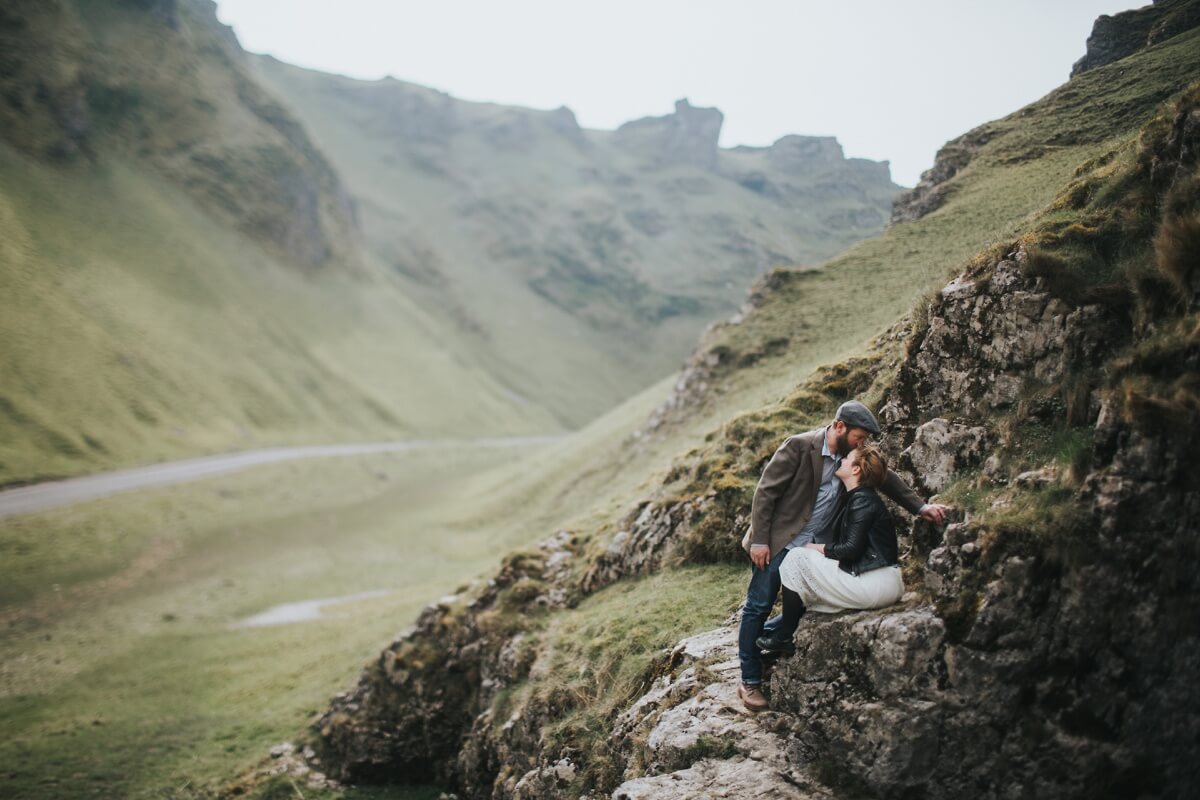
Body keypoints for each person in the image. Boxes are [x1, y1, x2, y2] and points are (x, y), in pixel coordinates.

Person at [736, 401, 947, 713]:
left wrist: (920, 507)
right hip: (779, 542)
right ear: (839, 427)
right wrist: (760, 542)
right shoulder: (798, 446)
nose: (862, 444)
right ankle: (749, 681)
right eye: (858, 437)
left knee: (805, 607)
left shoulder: (853, 459)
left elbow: (886, 479)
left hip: (816, 547)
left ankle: (760, 645)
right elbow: (765, 493)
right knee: (759, 604)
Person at [771, 444, 905, 641]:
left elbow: (850, 549)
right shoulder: (859, 498)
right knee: (807, 576)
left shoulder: (862, 500)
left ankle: (783, 636)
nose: (841, 460)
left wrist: (814, 547)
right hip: (883, 581)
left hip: (876, 583)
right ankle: (777, 629)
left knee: (796, 557)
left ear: (856, 469)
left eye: (846, 458)